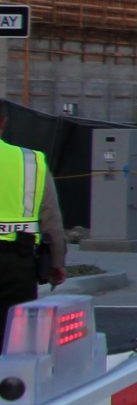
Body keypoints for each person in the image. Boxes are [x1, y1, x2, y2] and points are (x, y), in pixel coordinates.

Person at [0, 135, 67, 323]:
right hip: (17, 264)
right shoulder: (31, 162)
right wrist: (56, 261)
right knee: (13, 337)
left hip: (18, 257)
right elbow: (51, 217)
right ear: (4, 122)